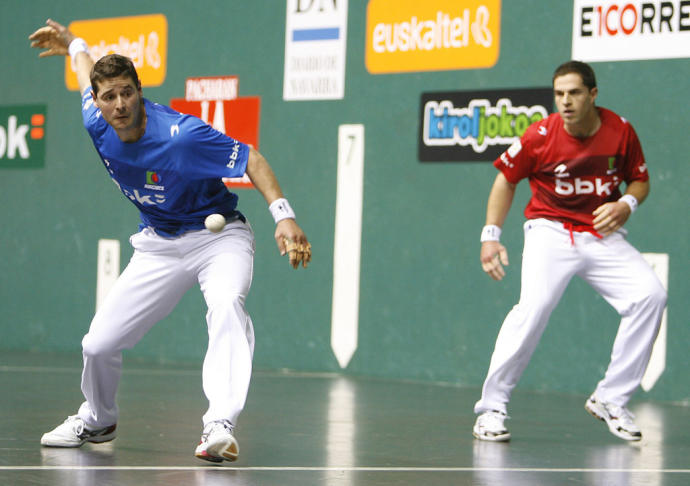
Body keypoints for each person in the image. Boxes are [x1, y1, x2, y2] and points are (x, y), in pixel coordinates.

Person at [29, 19, 311, 462]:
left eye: (127, 91)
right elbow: (85, 70)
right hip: (158, 243)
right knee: (97, 344)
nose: (119, 103)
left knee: (226, 305)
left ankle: (220, 423)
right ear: (98, 102)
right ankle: (99, 419)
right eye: (109, 96)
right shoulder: (95, 120)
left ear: (139, 90)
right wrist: (72, 43)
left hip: (220, 239)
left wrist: (284, 215)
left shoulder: (181, 136)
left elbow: (250, 157)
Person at [472, 61, 666, 442]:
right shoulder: (539, 136)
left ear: (593, 94)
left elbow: (640, 180)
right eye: (559, 94)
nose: (565, 101)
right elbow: (506, 180)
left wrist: (626, 203)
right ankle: (491, 408)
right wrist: (490, 235)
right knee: (534, 307)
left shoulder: (620, 131)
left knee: (651, 295)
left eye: (574, 92)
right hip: (550, 231)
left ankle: (611, 398)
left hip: (600, 233)